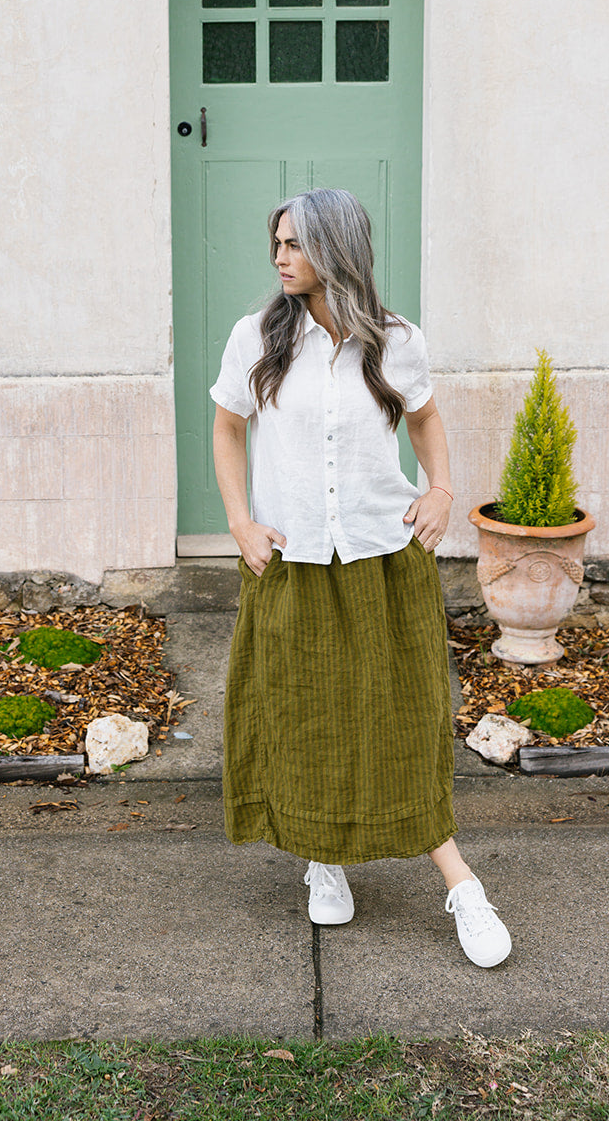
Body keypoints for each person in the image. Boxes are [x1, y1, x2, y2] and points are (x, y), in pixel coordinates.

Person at [210, 187, 511, 968]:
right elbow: (225, 428)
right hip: (292, 559)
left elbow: (425, 418)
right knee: (304, 714)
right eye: (274, 243)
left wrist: (440, 488)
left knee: (401, 720)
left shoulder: (395, 340)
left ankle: (461, 886)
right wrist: (240, 522)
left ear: (335, 249)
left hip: (383, 556)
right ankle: (324, 859)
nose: (279, 257)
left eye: (294, 245)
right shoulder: (256, 337)